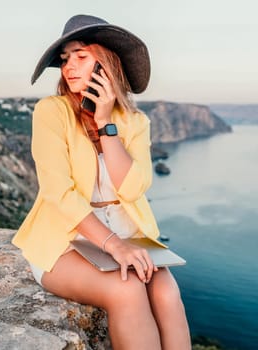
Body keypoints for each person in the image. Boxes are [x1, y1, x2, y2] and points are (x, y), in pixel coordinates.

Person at [12, 14, 191, 349]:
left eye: (81, 56)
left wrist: (105, 122)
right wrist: (114, 245)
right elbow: (58, 194)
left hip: (126, 233)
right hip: (65, 241)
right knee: (126, 290)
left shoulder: (134, 121)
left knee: (167, 293)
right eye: (65, 59)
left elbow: (134, 188)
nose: (69, 67)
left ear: (108, 62)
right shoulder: (51, 112)